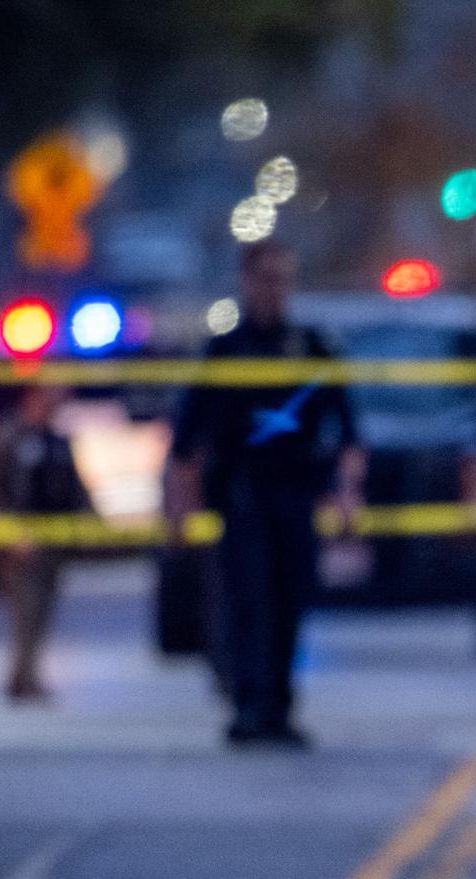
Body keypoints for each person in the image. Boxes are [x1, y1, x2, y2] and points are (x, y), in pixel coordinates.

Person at [166, 239, 364, 747]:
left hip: (297, 493)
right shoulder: (227, 350)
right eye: (265, 279)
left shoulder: (313, 346)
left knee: (290, 602)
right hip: (242, 494)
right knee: (246, 602)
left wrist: (347, 494)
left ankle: (278, 706)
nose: (275, 290)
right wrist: (181, 508)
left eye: (283, 279)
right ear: (247, 283)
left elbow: (347, 430)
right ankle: (247, 704)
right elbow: (188, 438)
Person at [0, 383, 91, 702]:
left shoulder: (55, 440)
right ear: (34, 397)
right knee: (27, 608)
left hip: (52, 540)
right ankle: (24, 679)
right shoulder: (6, 437)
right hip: (13, 543)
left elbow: (72, 487)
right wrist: (8, 533)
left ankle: (24, 677)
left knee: (43, 610)